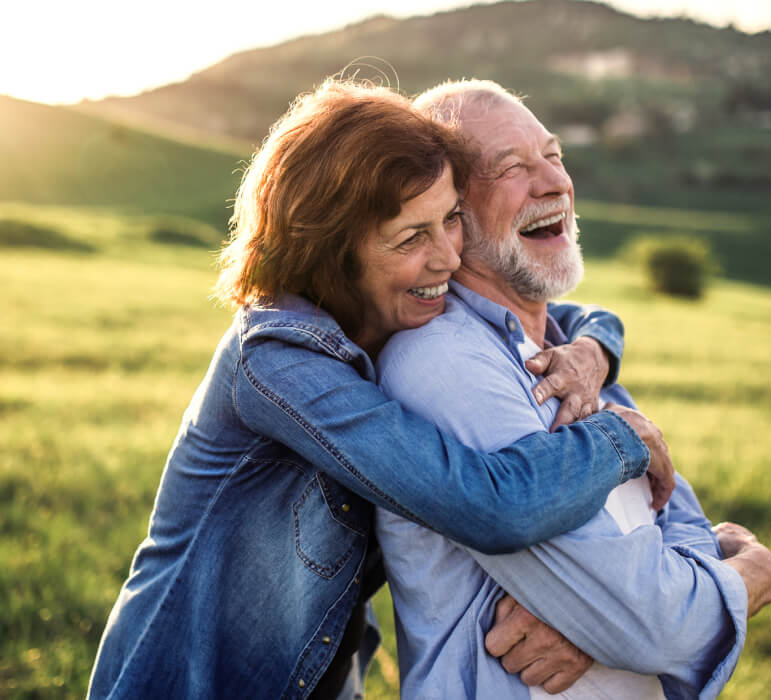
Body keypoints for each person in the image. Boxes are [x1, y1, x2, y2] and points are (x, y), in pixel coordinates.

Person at [86, 79, 673, 699]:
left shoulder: (388, 319)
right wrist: (620, 437)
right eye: (412, 238)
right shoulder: (278, 361)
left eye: (450, 220)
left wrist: (591, 352)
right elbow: (487, 505)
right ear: (334, 254)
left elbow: (571, 317)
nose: (448, 257)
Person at [375, 80, 771, 699]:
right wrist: (751, 572)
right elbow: (656, 623)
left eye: (554, 155)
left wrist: (597, 618)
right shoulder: (443, 363)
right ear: (449, 216)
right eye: (511, 167)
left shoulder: (572, 357)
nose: (554, 183)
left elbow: (677, 520)